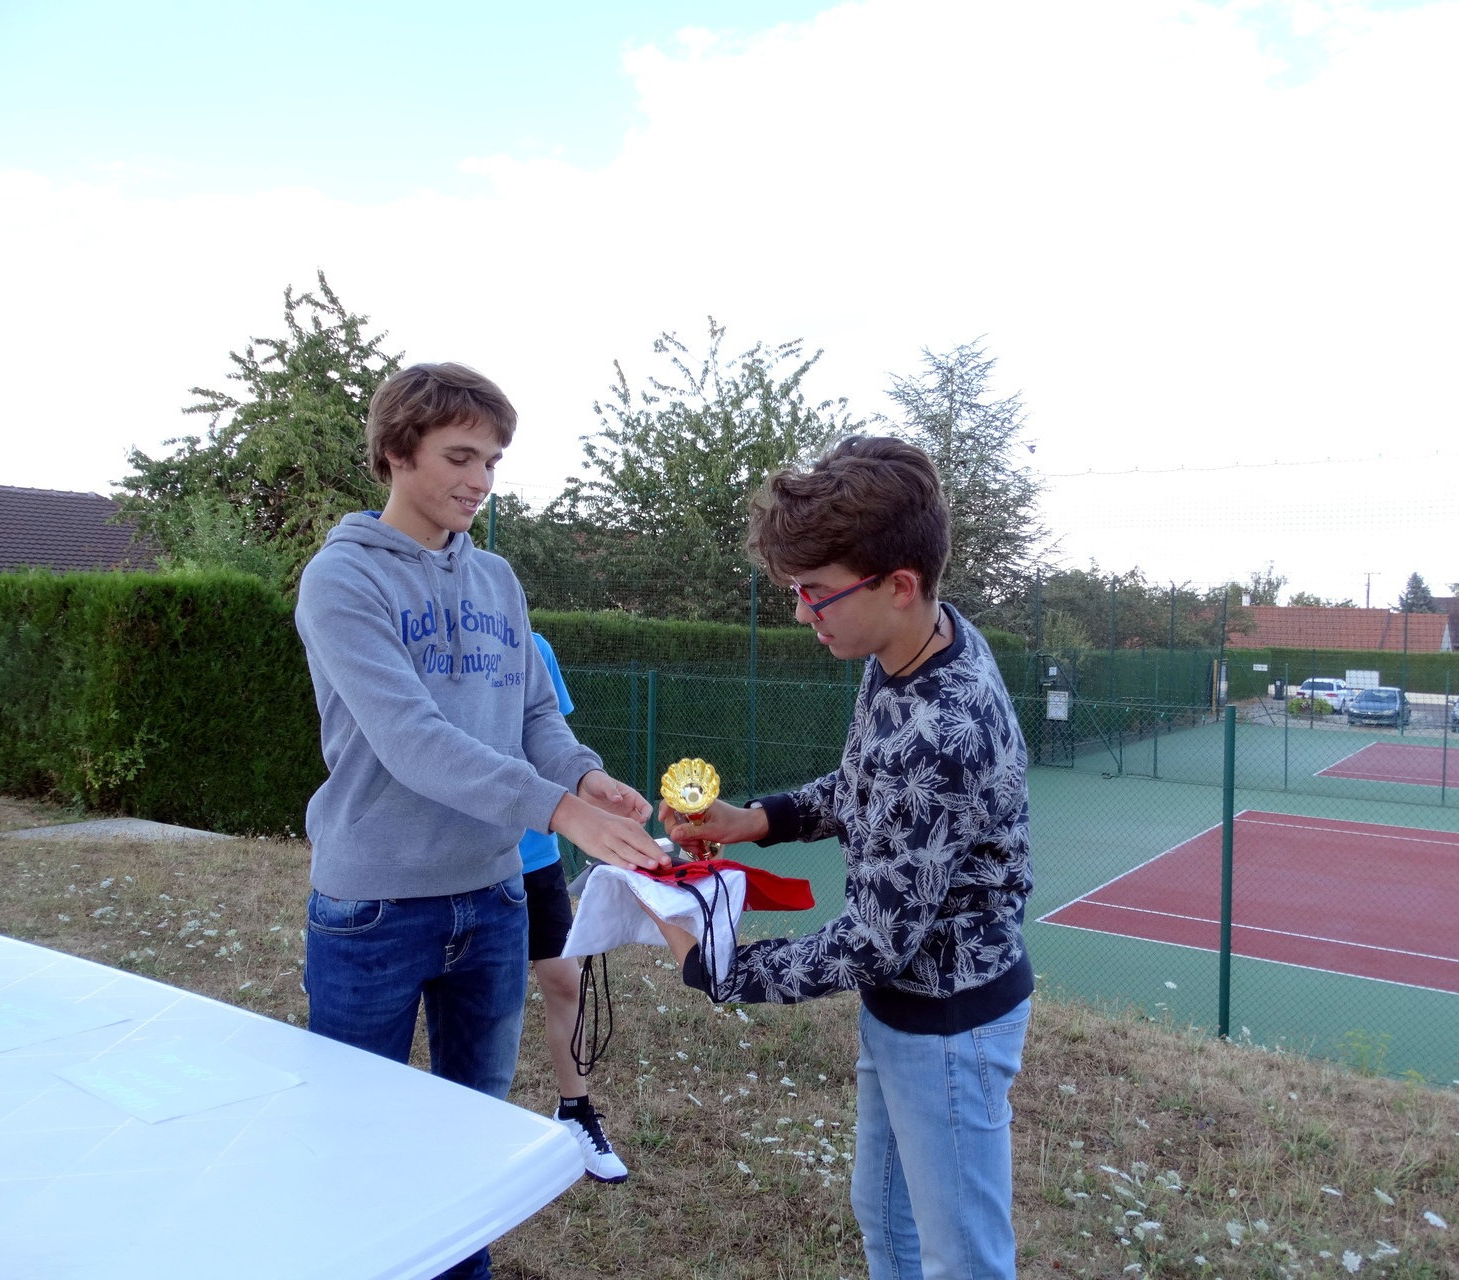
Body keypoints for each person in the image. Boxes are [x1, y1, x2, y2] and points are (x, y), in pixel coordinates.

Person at [294, 361, 668, 1280]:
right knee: (356, 1133)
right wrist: (559, 811)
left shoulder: (497, 577)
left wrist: (589, 777)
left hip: (493, 900)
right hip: (375, 907)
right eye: (460, 456)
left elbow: (537, 718)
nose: (480, 480)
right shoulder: (342, 580)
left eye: (494, 460)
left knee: (471, 1132)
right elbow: (412, 740)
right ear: (395, 453)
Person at [648, 435, 1034, 1280]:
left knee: (961, 1258)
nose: (800, 614)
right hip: (903, 1008)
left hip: (950, 1025)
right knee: (885, 1215)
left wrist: (718, 968)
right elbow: (866, 782)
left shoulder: (942, 728)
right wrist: (756, 819)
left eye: (817, 594)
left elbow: (873, 941)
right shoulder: (910, 646)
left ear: (899, 585)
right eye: (796, 590)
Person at [519, 631, 629, 1182]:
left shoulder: (533, 646)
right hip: (456, 864)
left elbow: (550, 734)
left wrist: (591, 786)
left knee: (565, 981)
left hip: (534, 854)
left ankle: (575, 1110)